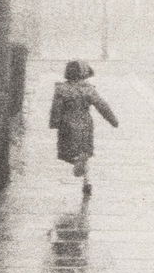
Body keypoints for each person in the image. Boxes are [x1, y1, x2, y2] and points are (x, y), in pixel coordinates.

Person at [50, 60, 118, 198]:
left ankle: (76, 162)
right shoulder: (88, 89)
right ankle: (87, 181)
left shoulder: (61, 89)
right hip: (85, 125)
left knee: (67, 151)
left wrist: (55, 123)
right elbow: (102, 105)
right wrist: (113, 120)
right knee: (84, 152)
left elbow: (56, 109)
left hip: (67, 125)